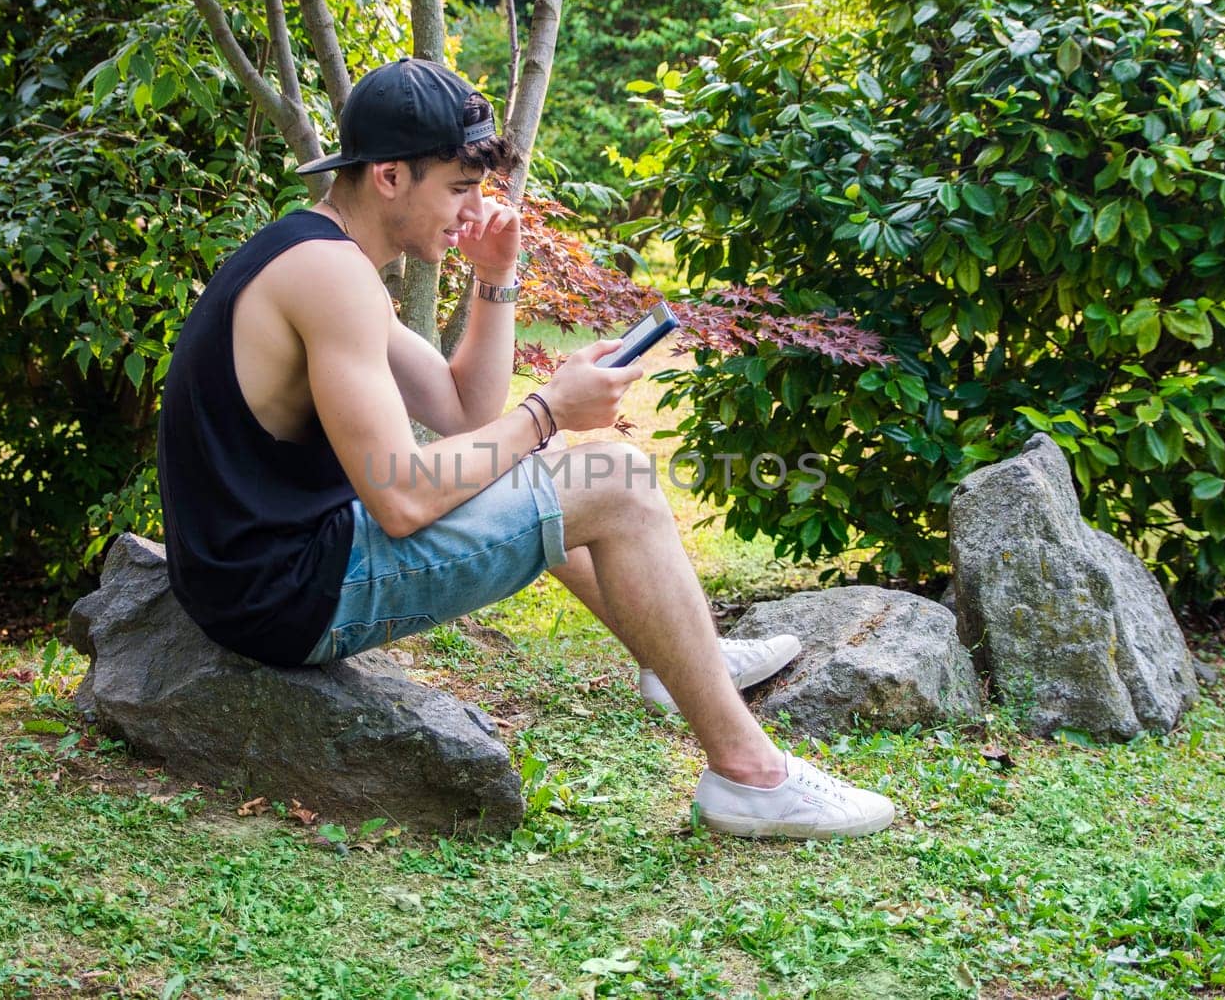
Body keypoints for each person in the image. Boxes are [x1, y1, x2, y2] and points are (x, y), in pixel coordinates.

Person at [157, 58, 894, 839]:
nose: (472, 210)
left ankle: (683, 659)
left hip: (264, 569)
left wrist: (494, 278)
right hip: (281, 593)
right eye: (457, 188)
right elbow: (403, 498)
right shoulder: (330, 276)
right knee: (616, 482)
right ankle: (751, 774)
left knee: (540, 466)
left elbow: (464, 413)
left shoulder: (319, 253)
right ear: (387, 176)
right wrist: (549, 412)